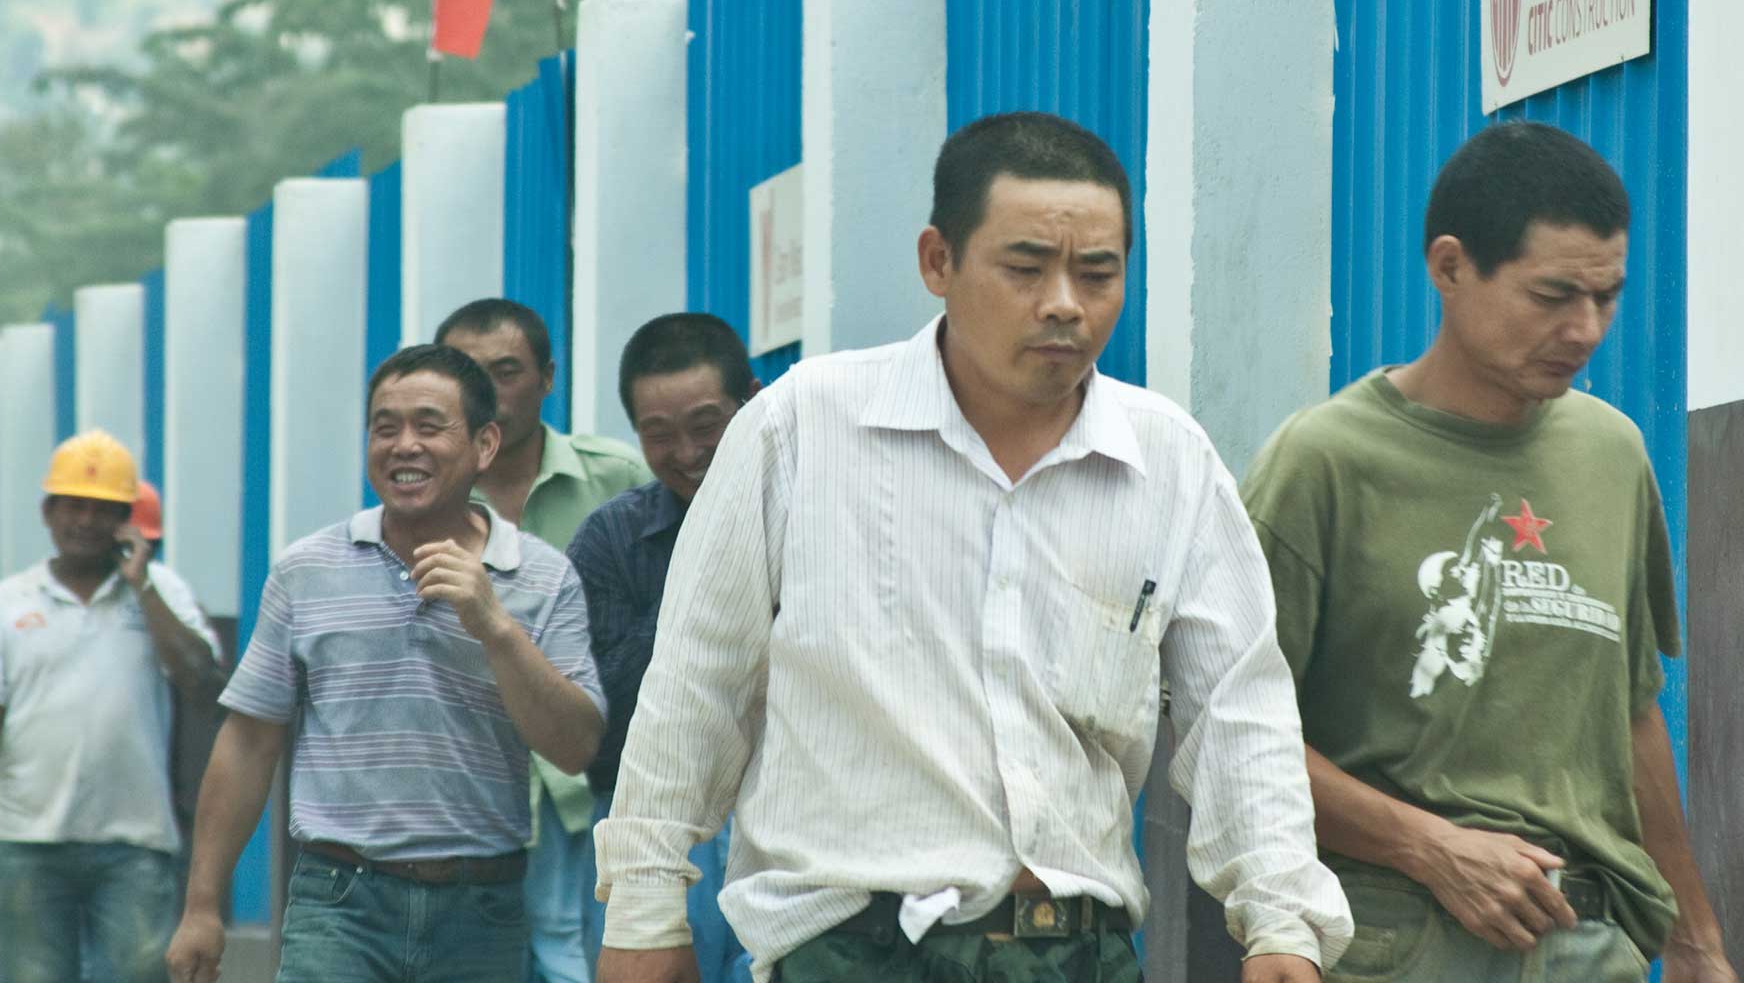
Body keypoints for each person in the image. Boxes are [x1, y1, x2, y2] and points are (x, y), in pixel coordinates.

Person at [594, 112, 1351, 983]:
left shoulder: (1169, 463)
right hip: (853, 953)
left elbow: (1240, 713)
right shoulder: (804, 427)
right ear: (938, 262)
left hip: (1082, 953)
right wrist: (645, 912)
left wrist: (1283, 922)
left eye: (1097, 272)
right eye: (1025, 268)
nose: (1064, 303)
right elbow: (697, 684)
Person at [1242, 122, 1736, 983]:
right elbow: (1229, 737)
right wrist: (1428, 846)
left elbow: (1631, 714)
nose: (1585, 328)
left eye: (1607, 296)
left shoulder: (1613, 455)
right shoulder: (1323, 462)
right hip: (1394, 935)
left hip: (1590, 939)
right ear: (1450, 267)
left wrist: (1696, 939)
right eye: (1553, 295)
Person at [163, 344, 607, 983]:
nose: (404, 446)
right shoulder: (306, 570)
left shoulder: (543, 575)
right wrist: (202, 906)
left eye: (429, 426)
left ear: (484, 444)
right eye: (385, 428)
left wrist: (495, 626)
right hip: (339, 902)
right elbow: (249, 741)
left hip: (481, 910)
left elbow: (574, 747)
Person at [0, 429, 222, 983]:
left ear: (126, 519)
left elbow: (203, 684)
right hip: (28, 840)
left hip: (136, 844)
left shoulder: (162, 590)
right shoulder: (8, 601)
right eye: (74, 506)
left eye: (103, 509)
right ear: (48, 512)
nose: (87, 521)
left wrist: (142, 586)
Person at [438, 298, 652, 983]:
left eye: (506, 372)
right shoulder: (424, 498)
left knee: (586, 957)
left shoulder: (615, 478)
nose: (487, 393)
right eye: (466, 374)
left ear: (548, 377)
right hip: (470, 789)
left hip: (596, 782)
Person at [568, 313, 760, 981]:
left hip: (786, 813)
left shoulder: (815, 515)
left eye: (707, 425)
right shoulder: (610, 541)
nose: (687, 452)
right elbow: (605, 714)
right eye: (659, 435)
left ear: (753, 403)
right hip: (655, 823)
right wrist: (708, 569)